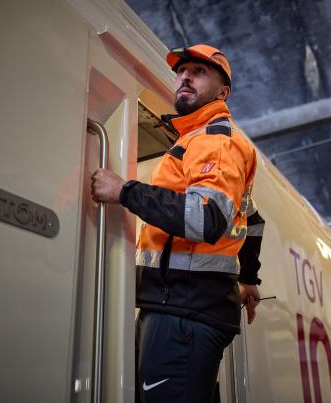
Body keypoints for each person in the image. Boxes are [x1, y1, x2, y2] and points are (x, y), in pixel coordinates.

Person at [91, 44, 265, 403]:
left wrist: (125, 191)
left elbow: (206, 218)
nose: (185, 76)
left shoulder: (215, 140)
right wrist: (248, 277)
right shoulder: (195, 139)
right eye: (182, 71)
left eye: (199, 72)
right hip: (183, 307)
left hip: (186, 310)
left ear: (223, 92)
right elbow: (253, 219)